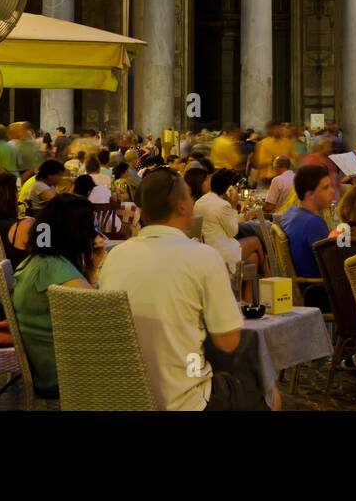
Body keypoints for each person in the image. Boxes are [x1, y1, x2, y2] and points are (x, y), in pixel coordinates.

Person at [99, 167, 277, 411]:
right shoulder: (203, 257)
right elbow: (228, 342)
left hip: (126, 396)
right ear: (182, 206)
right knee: (269, 391)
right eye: (191, 196)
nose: (194, 200)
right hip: (184, 399)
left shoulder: (115, 255)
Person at [12, 194, 105, 396]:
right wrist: (95, 271)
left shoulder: (37, 262)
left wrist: (92, 265)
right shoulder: (54, 269)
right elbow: (100, 317)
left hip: (49, 366)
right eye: (90, 227)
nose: (95, 234)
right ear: (75, 231)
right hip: (65, 373)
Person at [195, 168, 269, 301]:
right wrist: (234, 205)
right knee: (256, 241)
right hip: (221, 252)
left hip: (207, 250)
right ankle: (269, 279)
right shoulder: (223, 205)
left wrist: (244, 217)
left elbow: (223, 222)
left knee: (253, 258)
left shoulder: (203, 201)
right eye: (234, 187)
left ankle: (248, 301)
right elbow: (233, 231)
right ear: (228, 189)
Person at [278, 165, 334, 282]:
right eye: (325, 188)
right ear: (309, 195)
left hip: (302, 285)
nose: (332, 191)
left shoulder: (291, 212)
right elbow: (332, 267)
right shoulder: (314, 223)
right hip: (319, 289)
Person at [0, 173, 35, 267]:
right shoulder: (23, 227)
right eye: (17, 191)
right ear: (11, 196)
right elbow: (44, 257)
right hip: (18, 278)